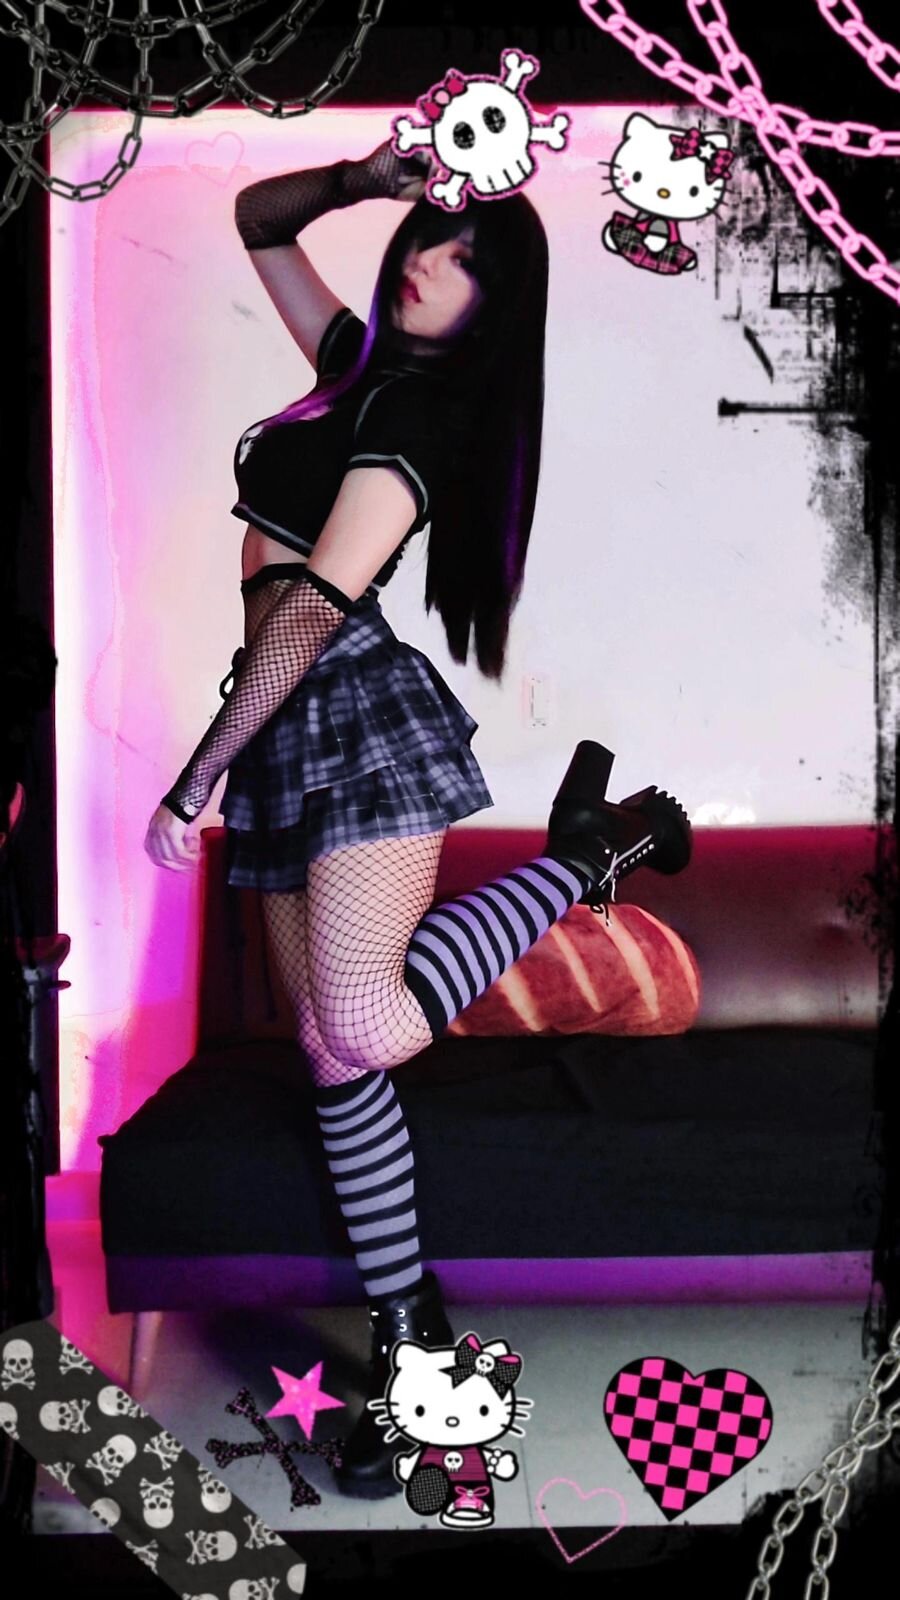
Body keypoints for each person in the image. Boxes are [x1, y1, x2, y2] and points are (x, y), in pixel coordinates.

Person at [143, 139, 691, 1497]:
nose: (432, 260)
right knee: (336, 1054)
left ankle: (589, 853)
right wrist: (369, 178)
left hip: (345, 710)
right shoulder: (353, 364)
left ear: (499, 305)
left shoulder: (421, 415)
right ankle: (414, 1348)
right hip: (283, 723)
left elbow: (311, 610)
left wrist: (195, 776)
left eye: (468, 259)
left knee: (371, 1021)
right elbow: (257, 218)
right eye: (436, 234)